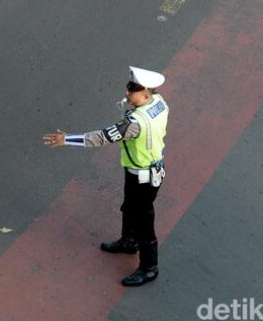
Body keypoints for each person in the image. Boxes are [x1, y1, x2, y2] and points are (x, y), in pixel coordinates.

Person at [43, 66, 169, 287]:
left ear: (147, 94)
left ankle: (150, 267)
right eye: (130, 86)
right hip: (143, 170)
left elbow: (101, 137)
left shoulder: (134, 124)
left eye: (135, 89)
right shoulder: (159, 103)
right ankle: (129, 241)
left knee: (144, 222)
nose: (128, 92)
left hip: (143, 176)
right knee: (129, 207)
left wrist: (67, 139)